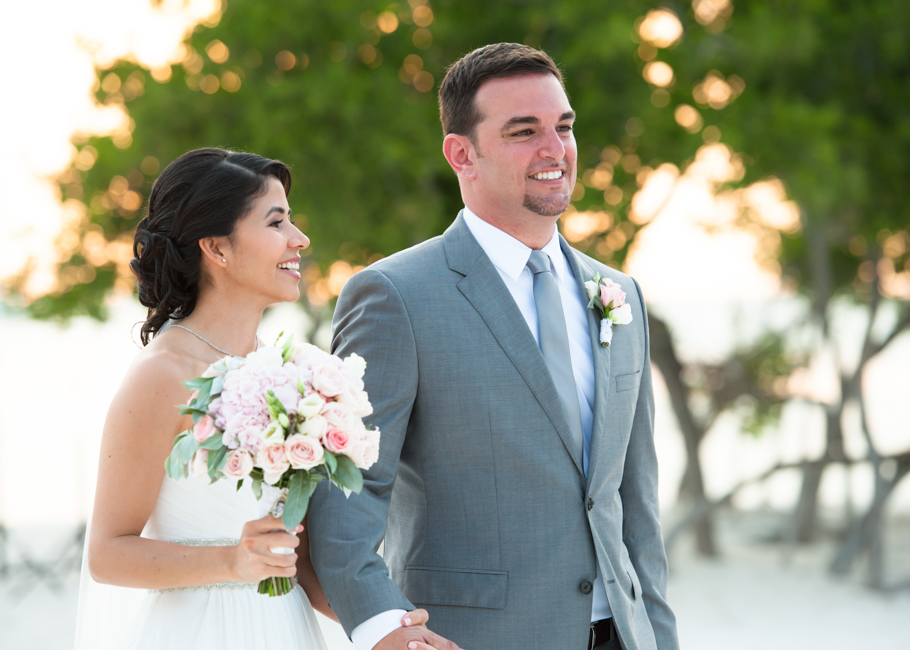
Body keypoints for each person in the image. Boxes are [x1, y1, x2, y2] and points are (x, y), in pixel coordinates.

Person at [308, 43, 679, 650]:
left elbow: (635, 499)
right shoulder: (393, 296)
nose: (554, 150)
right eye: (523, 131)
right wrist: (382, 628)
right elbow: (347, 493)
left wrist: (659, 636)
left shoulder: (619, 294)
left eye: (563, 127)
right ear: (462, 154)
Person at [73, 148, 428, 650]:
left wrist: (384, 628)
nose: (299, 239)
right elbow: (107, 555)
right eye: (277, 222)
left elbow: (298, 559)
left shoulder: (290, 375)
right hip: (199, 632)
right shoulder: (163, 376)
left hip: (284, 629)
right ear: (217, 247)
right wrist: (232, 563)